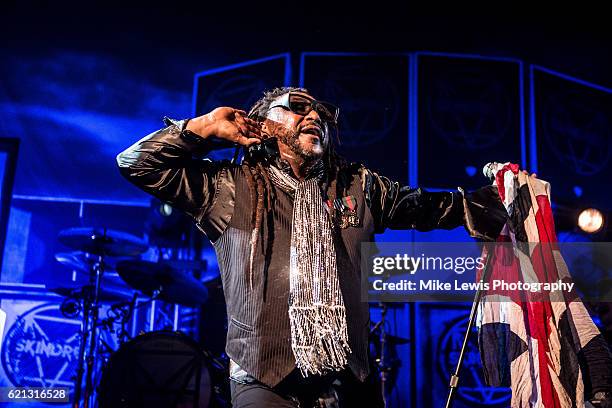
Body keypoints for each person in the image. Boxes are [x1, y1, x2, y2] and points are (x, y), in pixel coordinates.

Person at [116, 87, 508, 407]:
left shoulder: (359, 185)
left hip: (350, 379)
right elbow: (137, 164)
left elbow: (434, 208)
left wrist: (503, 198)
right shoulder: (228, 186)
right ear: (263, 123)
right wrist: (204, 126)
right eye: (298, 108)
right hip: (264, 377)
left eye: (321, 112)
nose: (315, 117)